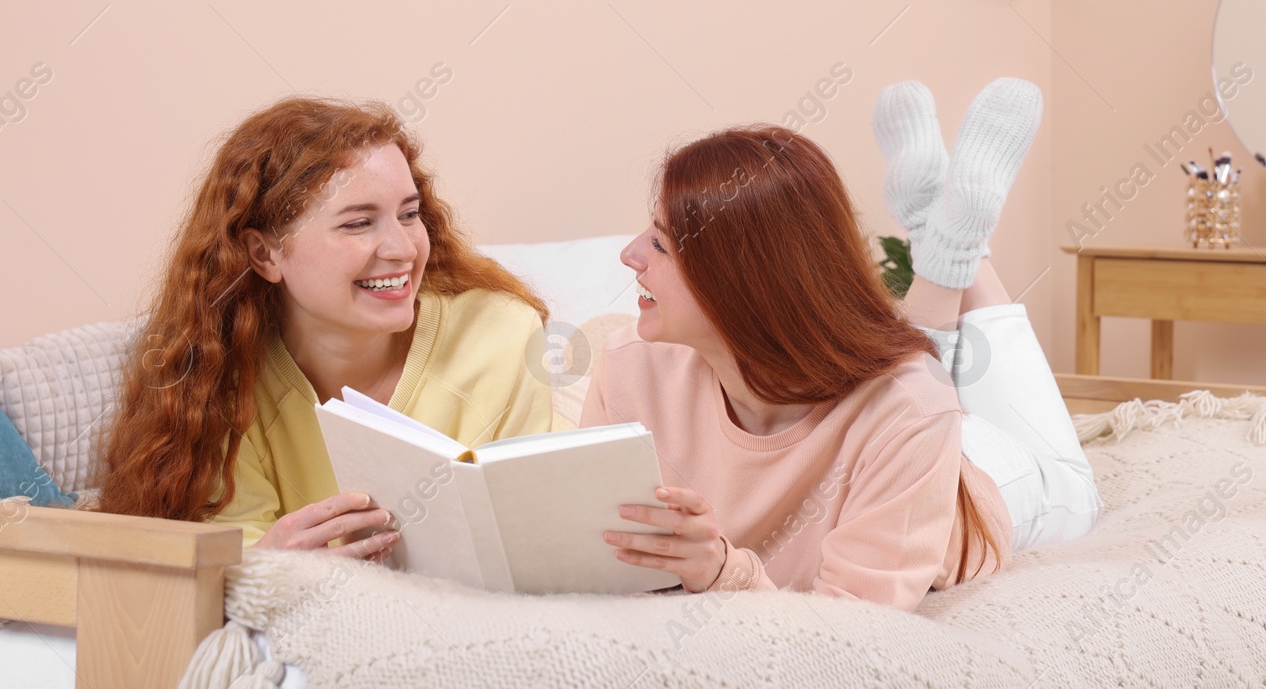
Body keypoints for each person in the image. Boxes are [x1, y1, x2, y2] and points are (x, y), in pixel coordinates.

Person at [582, 78, 1102, 610]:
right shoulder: (628, 370)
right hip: (895, 416)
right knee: (904, 384)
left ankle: (955, 245)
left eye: (661, 244)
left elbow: (851, 628)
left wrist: (723, 572)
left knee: (1074, 489)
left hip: (963, 477)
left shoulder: (910, 413)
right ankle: (940, 241)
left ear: (740, 280)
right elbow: (591, 550)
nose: (629, 254)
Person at [96, 98, 556, 560]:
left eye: (409, 214)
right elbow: (237, 560)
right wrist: (268, 566)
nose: (402, 248)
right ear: (264, 254)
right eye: (358, 223)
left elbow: (535, 535)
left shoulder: (501, 333)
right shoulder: (220, 379)